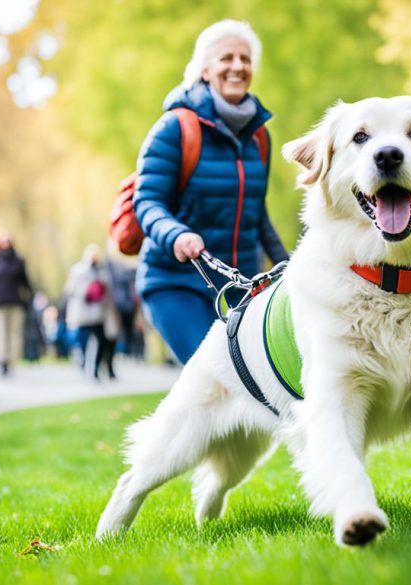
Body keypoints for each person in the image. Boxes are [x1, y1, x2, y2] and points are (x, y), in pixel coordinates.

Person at [133, 19, 288, 364]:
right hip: (176, 284)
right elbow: (146, 201)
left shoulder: (259, 138)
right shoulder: (175, 128)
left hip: (240, 290)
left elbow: (256, 214)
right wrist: (177, 235)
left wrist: (290, 266)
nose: (238, 66)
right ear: (205, 69)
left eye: (245, 59)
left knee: (250, 390)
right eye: (227, 58)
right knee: (215, 375)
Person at [0, 230, 32, 376]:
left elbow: (26, 282)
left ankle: (11, 360)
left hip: (15, 302)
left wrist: (27, 299)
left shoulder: (19, 261)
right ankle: (2, 360)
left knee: (14, 333)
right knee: (1, 333)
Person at [64, 244, 114, 381]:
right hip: (83, 313)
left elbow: (108, 291)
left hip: (98, 313)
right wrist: (86, 293)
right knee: (83, 341)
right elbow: (70, 289)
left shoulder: (103, 271)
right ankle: (83, 363)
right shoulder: (78, 270)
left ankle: (95, 370)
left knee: (101, 341)